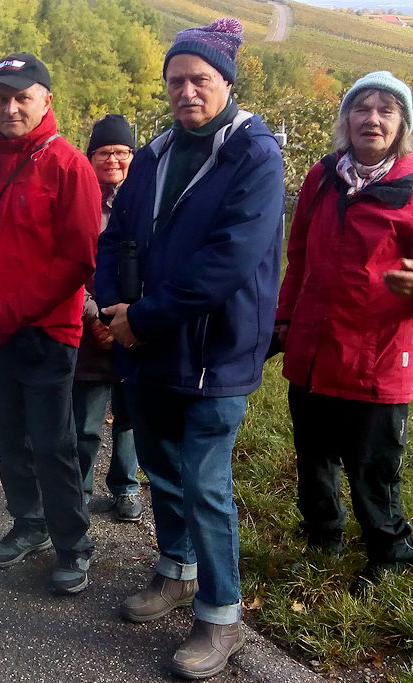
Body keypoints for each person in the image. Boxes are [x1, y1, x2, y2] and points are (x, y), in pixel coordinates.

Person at [95, 18, 284, 678]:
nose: (186, 91)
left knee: (205, 480)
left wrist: (139, 318)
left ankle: (220, 614)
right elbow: (114, 234)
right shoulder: (154, 154)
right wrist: (109, 303)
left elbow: (226, 263)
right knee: (161, 465)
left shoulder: (255, 157)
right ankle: (175, 569)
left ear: (225, 82)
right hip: (148, 346)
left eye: (199, 79)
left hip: (215, 351)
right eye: (175, 80)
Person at [275, 71, 413, 585]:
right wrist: (284, 323)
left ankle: (390, 553)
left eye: (386, 109)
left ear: (401, 123)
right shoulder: (321, 179)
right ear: (347, 120)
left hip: (376, 361)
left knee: (372, 469)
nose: (373, 119)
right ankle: (323, 535)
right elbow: (298, 260)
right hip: (314, 352)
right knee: (314, 457)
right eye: (362, 108)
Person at [0, 53, 100, 595]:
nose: (10, 108)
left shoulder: (69, 166)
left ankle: (72, 543)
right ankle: (28, 523)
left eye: (22, 97)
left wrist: (10, 311)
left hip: (45, 333)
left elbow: (77, 261)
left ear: (45, 101)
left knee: (51, 441)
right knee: (9, 435)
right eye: (3, 98)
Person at [74, 114, 142, 523]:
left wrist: (135, 317)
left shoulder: (145, 200)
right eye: (104, 152)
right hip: (89, 329)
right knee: (87, 421)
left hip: (135, 326)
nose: (113, 159)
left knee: (130, 418)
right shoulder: (79, 198)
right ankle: (78, 490)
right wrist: (93, 318)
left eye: (121, 151)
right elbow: (68, 263)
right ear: (91, 156)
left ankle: (126, 486)